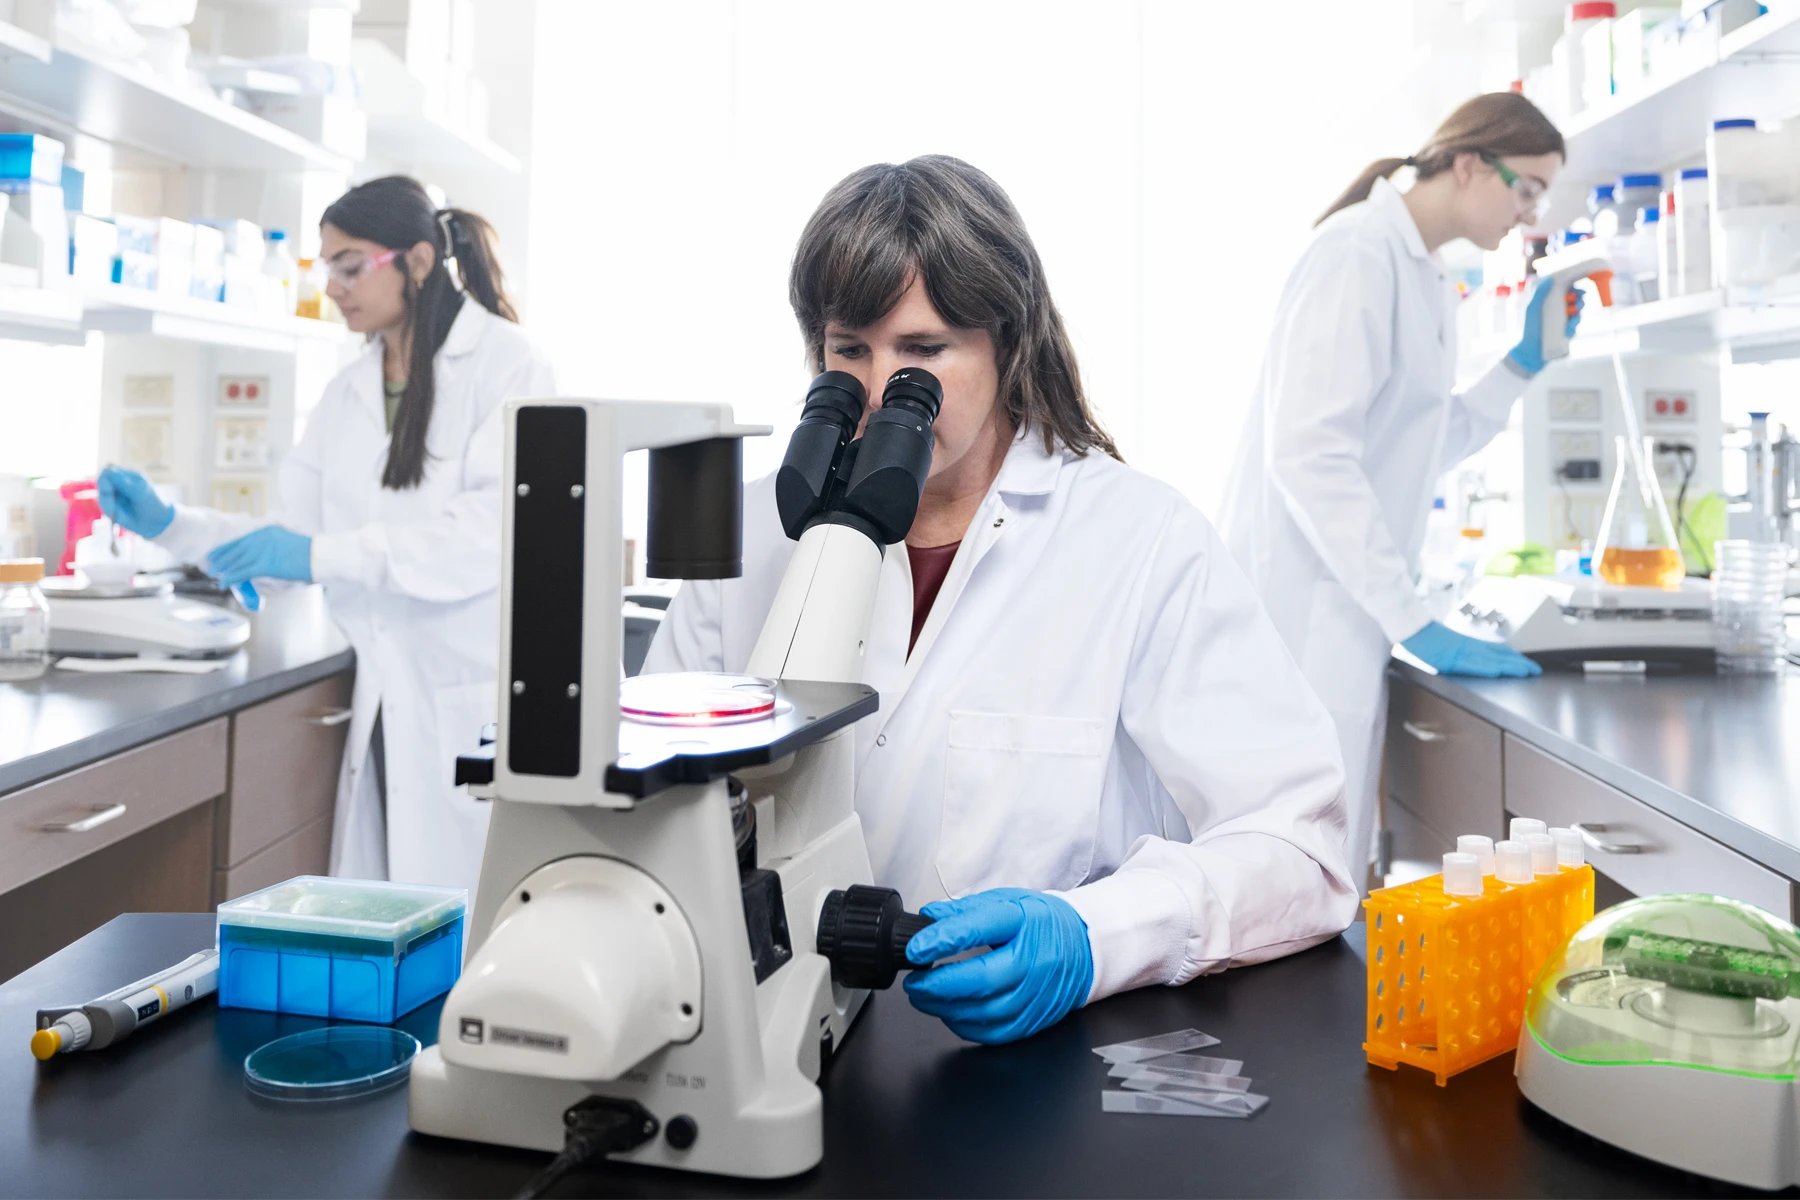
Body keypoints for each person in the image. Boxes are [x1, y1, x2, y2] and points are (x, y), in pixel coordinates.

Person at [646, 155, 1356, 1046]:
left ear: (1006, 343)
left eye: (923, 353)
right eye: (848, 351)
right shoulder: (751, 537)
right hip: (764, 1043)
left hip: (1025, 1067)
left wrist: (1098, 937)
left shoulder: (1138, 540)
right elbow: (654, 806)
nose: (876, 395)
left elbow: (1303, 851)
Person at [98, 176, 556, 894]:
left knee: (480, 920)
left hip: (469, 695)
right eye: (327, 267)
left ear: (417, 262)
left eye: (350, 265)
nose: (334, 286)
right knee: (396, 922)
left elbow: (485, 537)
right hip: (383, 704)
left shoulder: (508, 363)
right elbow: (290, 539)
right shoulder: (347, 392)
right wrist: (171, 524)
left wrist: (317, 554)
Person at [1217, 93, 1585, 892]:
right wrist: (1412, 615)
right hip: (1298, 622)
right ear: (1465, 165)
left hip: (1343, 625)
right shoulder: (1357, 254)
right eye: (1526, 188)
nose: (1530, 214)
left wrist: (1523, 364)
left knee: (1321, 875)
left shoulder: (1424, 274)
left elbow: (1424, 442)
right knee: (1282, 879)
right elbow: (1309, 452)